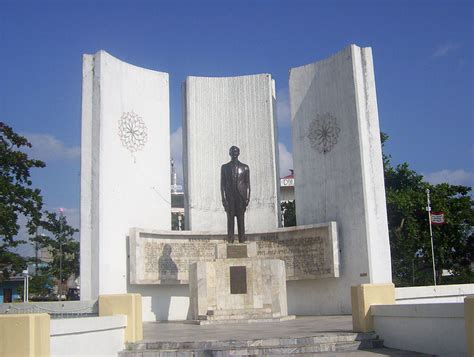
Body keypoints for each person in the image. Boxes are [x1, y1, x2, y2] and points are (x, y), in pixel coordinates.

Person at [220, 146, 251, 243]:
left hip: (241, 197)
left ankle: (242, 240)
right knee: (230, 220)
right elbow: (222, 185)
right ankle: (230, 241)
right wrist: (224, 199)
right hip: (230, 197)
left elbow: (248, 184)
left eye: (236, 151)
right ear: (229, 153)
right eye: (232, 151)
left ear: (239, 153)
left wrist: (247, 198)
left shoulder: (245, 167)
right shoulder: (224, 167)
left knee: (241, 219)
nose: (234, 153)